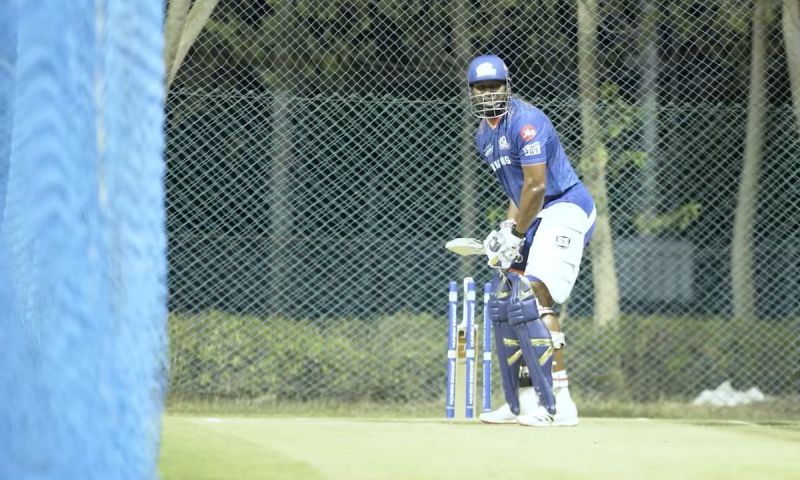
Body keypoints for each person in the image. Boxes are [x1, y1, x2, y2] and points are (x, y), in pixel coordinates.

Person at [466, 54, 596, 427]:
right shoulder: (483, 135)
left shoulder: (527, 123)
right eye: (480, 88)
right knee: (506, 301)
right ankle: (523, 402)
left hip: (566, 205)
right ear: (472, 93)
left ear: (508, 86)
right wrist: (507, 231)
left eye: (494, 86)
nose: (488, 94)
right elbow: (519, 191)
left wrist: (518, 233)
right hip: (534, 212)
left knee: (534, 294)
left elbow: (538, 186)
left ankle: (560, 403)